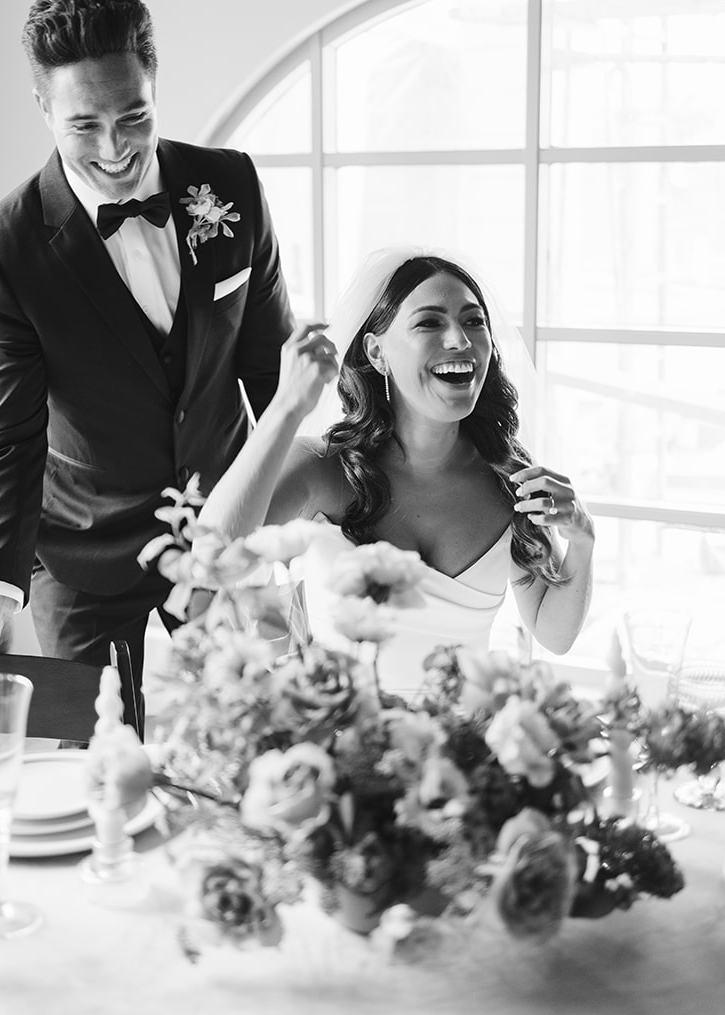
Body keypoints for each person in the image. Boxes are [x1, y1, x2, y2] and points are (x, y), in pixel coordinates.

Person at [0, 0, 296, 726]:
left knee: (251, 739)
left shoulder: (228, 184)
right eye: (84, 126)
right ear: (43, 108)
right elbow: (6, 436)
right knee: (100, 759)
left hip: (218, 527)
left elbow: (274, 375)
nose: (114, 149)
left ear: (154, 83)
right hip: (84, 553)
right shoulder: (4, 248)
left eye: (133, 115)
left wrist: (306, 514)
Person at [197, 249, 594, 694]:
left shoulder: (509, 477)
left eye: (473, 321)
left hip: (464, 754)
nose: (460, 340)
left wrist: (581, 539)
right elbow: (213, 560)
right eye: (429, 322)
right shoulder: (321, 469)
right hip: (344, 749)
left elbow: (554, 633)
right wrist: (287, 408)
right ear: (377, 352)